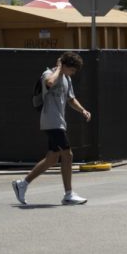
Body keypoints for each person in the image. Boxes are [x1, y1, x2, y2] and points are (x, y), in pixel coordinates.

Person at [12, 52, 92, 206]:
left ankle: (22, 184)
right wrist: (59, 69)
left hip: (59, 122)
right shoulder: (48, 74)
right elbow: (49, 82)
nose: (73, 74)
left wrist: (82, 110)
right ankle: (68, 194)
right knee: (67, 154)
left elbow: (71, 99)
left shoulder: (67, 78)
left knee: (53, 158)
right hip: (51, 121)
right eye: (72, 70)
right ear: (65, 66)